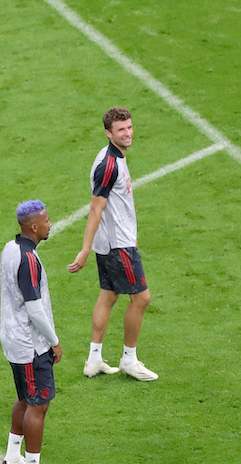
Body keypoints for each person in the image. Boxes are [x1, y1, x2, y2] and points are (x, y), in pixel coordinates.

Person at [67, 107, 157, 381]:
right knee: (141, 298)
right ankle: (129, 359)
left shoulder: (113, 157)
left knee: (108, 296)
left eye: (129, 127)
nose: (128, 133)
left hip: (112, 241)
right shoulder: (108, 166)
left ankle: (94, 360)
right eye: (121, 129)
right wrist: (85, 249)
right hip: (118, 245)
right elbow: (96, 209)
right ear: (108, 133)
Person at [0, 202, 67, 464]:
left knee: (25, 399)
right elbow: (35, 309)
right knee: (38, 405)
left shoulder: (10, 248)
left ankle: (13, 458)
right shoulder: (28, 260)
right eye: (47, 221)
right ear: (34, 227)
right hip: (30, 345)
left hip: (13, 338)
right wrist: (54, 342)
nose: (51, 224)